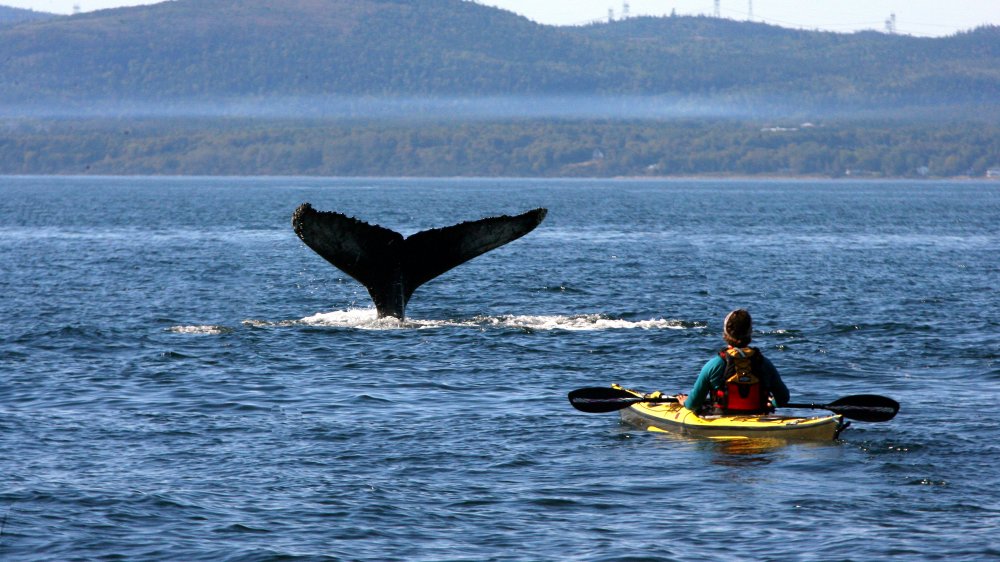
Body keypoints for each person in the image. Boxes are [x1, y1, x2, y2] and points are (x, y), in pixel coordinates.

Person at [676, 309, 789, 415]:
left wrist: (685, 402)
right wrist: (772, 403)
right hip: (757, 415)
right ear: (750, 332)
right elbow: (783, 398)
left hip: (721, 419)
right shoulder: (765, 363)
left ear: (725, 334)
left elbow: (693, 404)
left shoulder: (713, 365)